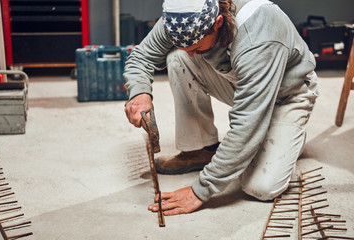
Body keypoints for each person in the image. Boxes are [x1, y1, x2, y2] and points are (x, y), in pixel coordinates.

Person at [124, 0, 319, 216]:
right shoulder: (183, 16)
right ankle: (201, 149)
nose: (191, 53)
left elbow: (246, 123)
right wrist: (139, 93)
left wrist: (200, 190)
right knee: (178, 60)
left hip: (287, 95)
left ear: (218, 23)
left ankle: (289, 132)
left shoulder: (258, 34)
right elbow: (142, 56)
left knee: (261, 187)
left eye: (196, 48)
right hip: (240, 83)